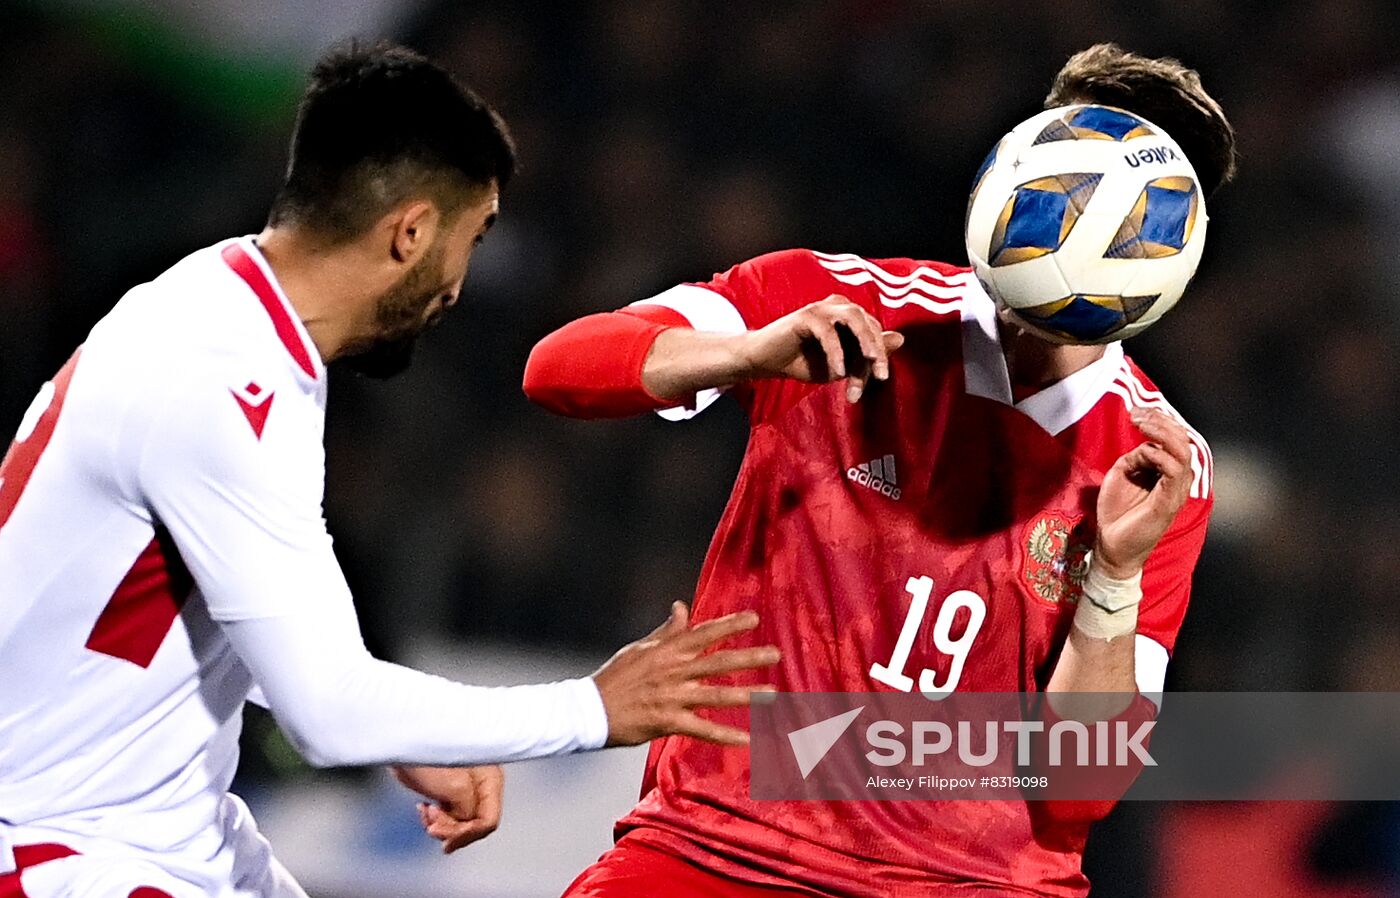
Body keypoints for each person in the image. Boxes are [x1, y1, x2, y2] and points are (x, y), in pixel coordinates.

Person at [0, 44, 778, 898]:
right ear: (410, 231)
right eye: (472, 237)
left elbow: (213, 612)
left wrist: (406, 734)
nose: (459, 283)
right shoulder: (225, 382)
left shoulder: (228, 312)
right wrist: (594, 707)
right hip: (68, 850)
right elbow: (327, 711)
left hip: (168, 829)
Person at [525, 43, 1236, 897]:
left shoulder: (1162, 464)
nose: (1084, 210)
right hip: (718, 847)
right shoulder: (836, 303)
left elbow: (1079, 785)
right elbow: (558, 370)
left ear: (1175, 238)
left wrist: (1114, 577)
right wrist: (746, 352)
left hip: (977, 883)